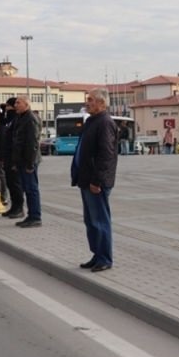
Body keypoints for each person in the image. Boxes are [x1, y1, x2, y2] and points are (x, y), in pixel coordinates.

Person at [71, 88, 119, 272]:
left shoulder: (105, 123)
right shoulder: (92, 121)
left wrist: (97, 181)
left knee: (100, 220)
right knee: (90, 220)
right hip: (86, 179)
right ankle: (96, 254)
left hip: (96, 182)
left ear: (101, 103)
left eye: (90, 99)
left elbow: (105, 155)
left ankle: (105, 258)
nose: (87, 102)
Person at [12, 96, 42, 227]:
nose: (15, 105)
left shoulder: (30, 119)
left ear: (26, 105)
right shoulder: (20, 118)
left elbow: (32, 143)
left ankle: (35, 216)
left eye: (18, 103)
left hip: (28, 160)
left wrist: (30, 163)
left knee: (31, 189)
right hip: (22, 160)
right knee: (26, 188)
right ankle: (30, 215)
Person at [0, 98, 24, 218]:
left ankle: (19, 208)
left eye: (11, 106)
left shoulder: (17, 120)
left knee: (16, 184)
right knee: (11, 183)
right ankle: (14, 207)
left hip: (15, 157)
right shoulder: (10, 120)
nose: (8, 109)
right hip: (8, 156)